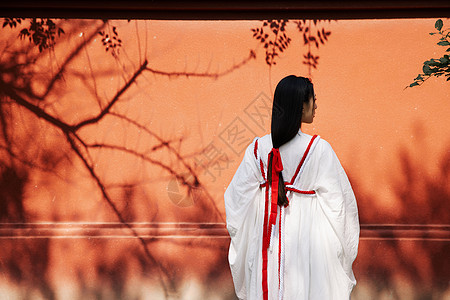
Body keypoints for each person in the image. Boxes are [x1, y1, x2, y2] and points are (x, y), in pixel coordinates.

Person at [224, 75, 360, 300]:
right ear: (299, 104)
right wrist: (341, 250)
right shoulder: (319, 150)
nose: (316, 105)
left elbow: (236, 201)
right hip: (308, 244)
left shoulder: (258, 149)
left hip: (265, 243)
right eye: (312, 99)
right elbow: (341, 207)